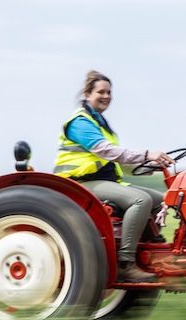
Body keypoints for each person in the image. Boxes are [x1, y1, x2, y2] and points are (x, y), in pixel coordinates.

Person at [53, 70, 175, 283]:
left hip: (104, 181)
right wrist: (147, 153)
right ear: (88, 94)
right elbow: (107, 151)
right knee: (140, 200)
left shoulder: (101, 123)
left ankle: (154, 249)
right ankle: (125, 264)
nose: (106, 96)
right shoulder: (80, 122)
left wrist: (152, 165)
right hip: (81, 184)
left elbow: (121, 163)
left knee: (160, 199)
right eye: (101, 92)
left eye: (109, 92)